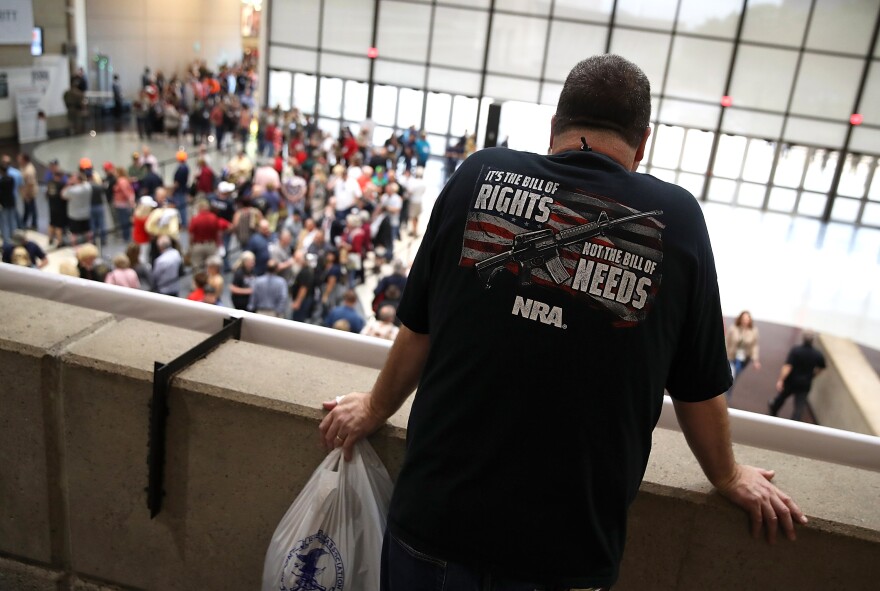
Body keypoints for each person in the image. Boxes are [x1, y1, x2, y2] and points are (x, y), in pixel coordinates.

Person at [319, 55, 806, 590]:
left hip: (432, 523)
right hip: (567, 555)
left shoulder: (477, 174)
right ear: (643, 143)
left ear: (554, 127)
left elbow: (418, 329)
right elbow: (698, 387)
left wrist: (373, 407)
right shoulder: (680, 219)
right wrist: (729, 476)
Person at [769, 331, 826, 421]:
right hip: (805, 383)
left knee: (781, 397)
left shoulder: (796, 350)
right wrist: (813, 375)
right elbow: (822, 367)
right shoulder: (817, 354)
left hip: (791, 381)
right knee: (799, 406)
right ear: (813, 341)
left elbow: (788, 367)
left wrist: (781, 380)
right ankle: (795, 422)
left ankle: (773, 410)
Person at [725, 310, 761, 398]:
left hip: (744, 359)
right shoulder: (733, 328)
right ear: (740, 319)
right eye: (744, 319)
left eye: (747, 319)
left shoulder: (754, 331)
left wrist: (755, 360)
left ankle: (728, 393)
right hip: (731, 356)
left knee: (735, 375)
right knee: (731, 374)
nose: (745, 321)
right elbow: (726, 341)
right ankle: (725, 395)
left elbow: (754, 346)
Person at [17, 154, 38, 230]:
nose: (18, 160)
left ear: (24, 160)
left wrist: (27, 195)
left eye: (20, 159)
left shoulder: (29, 170)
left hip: (29, 193)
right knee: (28, 208)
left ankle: (32, 224)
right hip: (25, 193)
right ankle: (25, 223)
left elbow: (30, 184)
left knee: (31, 209)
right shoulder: (23, 167)